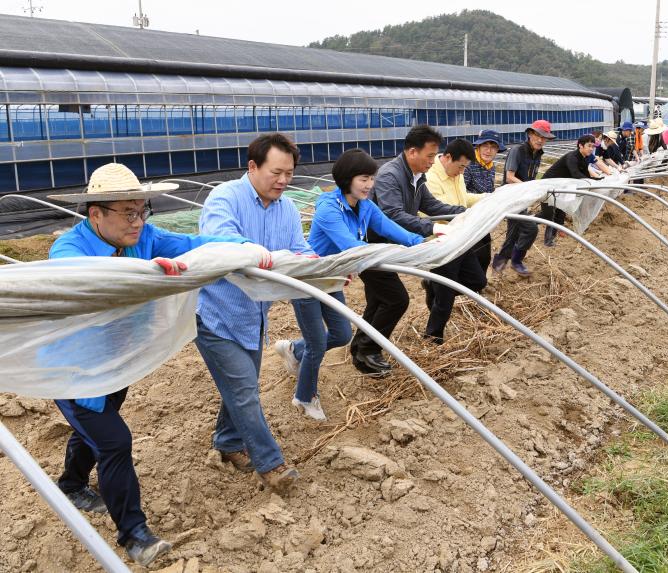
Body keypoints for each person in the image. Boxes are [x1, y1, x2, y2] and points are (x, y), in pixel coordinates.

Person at [46, 163, 261, 567]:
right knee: (113, 441)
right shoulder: (70, 249)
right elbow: (81, 279)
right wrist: (142, 272)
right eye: (129, 212)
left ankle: (71, 484)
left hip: (120, 362)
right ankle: (135, 535)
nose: (138, 221)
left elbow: (195, 241)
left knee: (97, 427)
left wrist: (245, 247)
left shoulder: (146, 237)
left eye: (143, 210)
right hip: (74, 371)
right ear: (96, 214)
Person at [196, 132, 308, 494]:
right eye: (276, 172)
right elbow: (219, 238)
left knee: (241, 385)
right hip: (215, 313)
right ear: (253, 167)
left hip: (254, 315)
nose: (283, 181)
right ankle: (271, 464)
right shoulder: (225, 198)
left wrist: (325, 268)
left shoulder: (287, 208)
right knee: (244, 390)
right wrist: (252, 250)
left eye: (289, 174)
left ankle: (227, 443)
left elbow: (298, 249)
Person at [302, 149, 423, 386]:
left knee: (341, 333)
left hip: (336, 275)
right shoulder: (329, 208)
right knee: (319, 340)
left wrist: (423, 241)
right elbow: (351, 245)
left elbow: (390, 228)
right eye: (364, 179)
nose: (370, 184)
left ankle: (362, 350)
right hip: (311, 277)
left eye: (372, 178)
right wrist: (394, 252)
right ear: (348, 179)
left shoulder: (365, 205)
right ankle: (306, 388)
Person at [351, 125, 462, 374]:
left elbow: (431, 204)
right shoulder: (391, 175)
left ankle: (361, 352)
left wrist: (463, 213)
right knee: (396, 300)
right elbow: (393, 215)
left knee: (378, 300)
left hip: (387, 249)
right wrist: (431, 228)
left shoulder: (416, 177)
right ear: (413, 152)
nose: (433, 162)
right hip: (371, 246)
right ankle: (369, 350)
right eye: (430, 156)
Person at [424, 138, 488, 343]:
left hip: (461, 236)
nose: (462, 172)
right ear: (447, 158)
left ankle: (433, 284)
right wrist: (468, 213)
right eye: (460, 166)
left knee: (478, 281)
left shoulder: (456, 174)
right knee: (444, 299)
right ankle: (433, 337)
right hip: (441, 241)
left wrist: (489, 198)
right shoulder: (430, 176)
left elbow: (463, 198)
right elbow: (439, 209)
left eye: (465, 168)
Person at [492, 119, 553, 272]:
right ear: (530, 134)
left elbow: (532, 177)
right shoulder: (517, 151)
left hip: (522, 198)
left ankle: (500, 261)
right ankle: (516, 260)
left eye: (544, 137)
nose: (540, 140)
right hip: (510, 196)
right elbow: (509, 177)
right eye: (537, 135)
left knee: (514, 231)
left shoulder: (538, 154)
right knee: (531, 228)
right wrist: (529, 189)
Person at [464, 129, 505, 271]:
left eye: (493, 147)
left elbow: (489, 189)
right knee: (476, 254)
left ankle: (477, 286)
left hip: (482, 215)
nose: (489, 150)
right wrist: (484, 199)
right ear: (478, 147)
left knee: (485, 254)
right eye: (485, 146)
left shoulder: (491, 167)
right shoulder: (468, 164)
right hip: (466, 217)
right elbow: (461, 192)